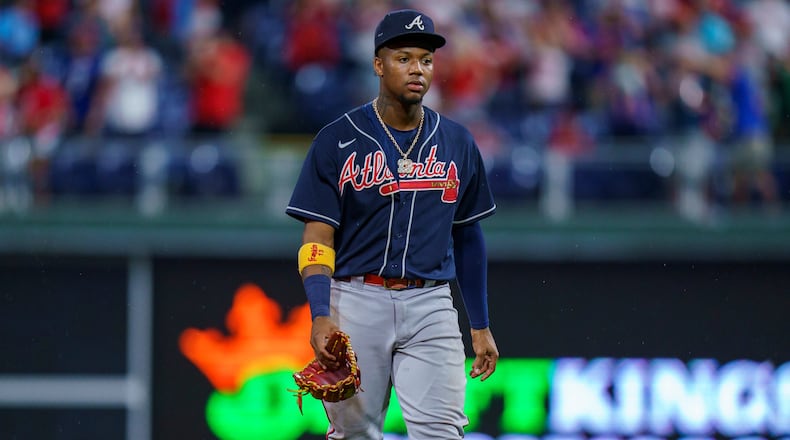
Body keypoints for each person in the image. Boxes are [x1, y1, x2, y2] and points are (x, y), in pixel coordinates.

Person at [285, 9, 499, 439]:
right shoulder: (337, 139)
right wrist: (321, 313)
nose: (417, 69)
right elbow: (317, 238)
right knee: (355, 435)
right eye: (404, 58)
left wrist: (479, 324)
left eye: (425, 59)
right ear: (378, 65)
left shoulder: (457, 141)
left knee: (443, 432)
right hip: (355, 299)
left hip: (431, 303)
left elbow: (469, 236)